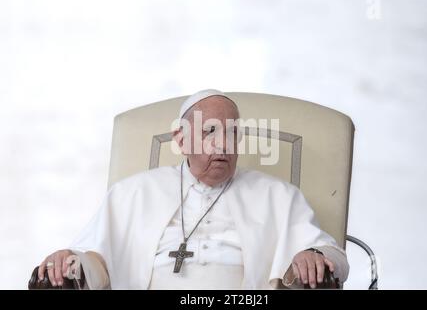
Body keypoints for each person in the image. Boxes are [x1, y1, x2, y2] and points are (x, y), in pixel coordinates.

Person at [37, 89, 349, 289]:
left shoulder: (278, 196)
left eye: (232, 133)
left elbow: (333, 256)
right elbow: (95, 257)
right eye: (211, 131)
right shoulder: (132, 193)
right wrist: (68, 258)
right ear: (182, 139)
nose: (224, 144)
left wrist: (313, 254)